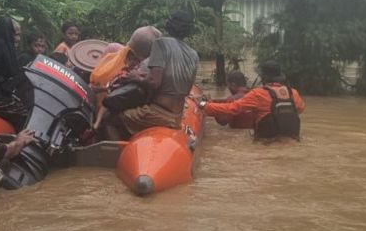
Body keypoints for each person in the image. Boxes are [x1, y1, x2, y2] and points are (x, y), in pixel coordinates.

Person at [105, 12, 199, 140]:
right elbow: (186, 89)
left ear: (168, 25)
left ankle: (116, 156)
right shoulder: (193, 54)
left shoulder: (161, 44)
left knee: (109, 120)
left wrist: (135, 77)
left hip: (158, 113)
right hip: (177, 115)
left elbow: (155, 82)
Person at [196, 60, 305, 143]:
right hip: (292, 140)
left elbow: (232, 108)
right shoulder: (293, 93)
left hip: (266, 143)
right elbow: (300, 109)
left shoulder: (258, 94)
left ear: (263, 78)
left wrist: (205, 105)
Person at [90, 26, 161, 130]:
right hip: (107, 102)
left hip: (105, 100)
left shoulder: (113, 49)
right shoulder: (144, 69)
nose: (133, 63)